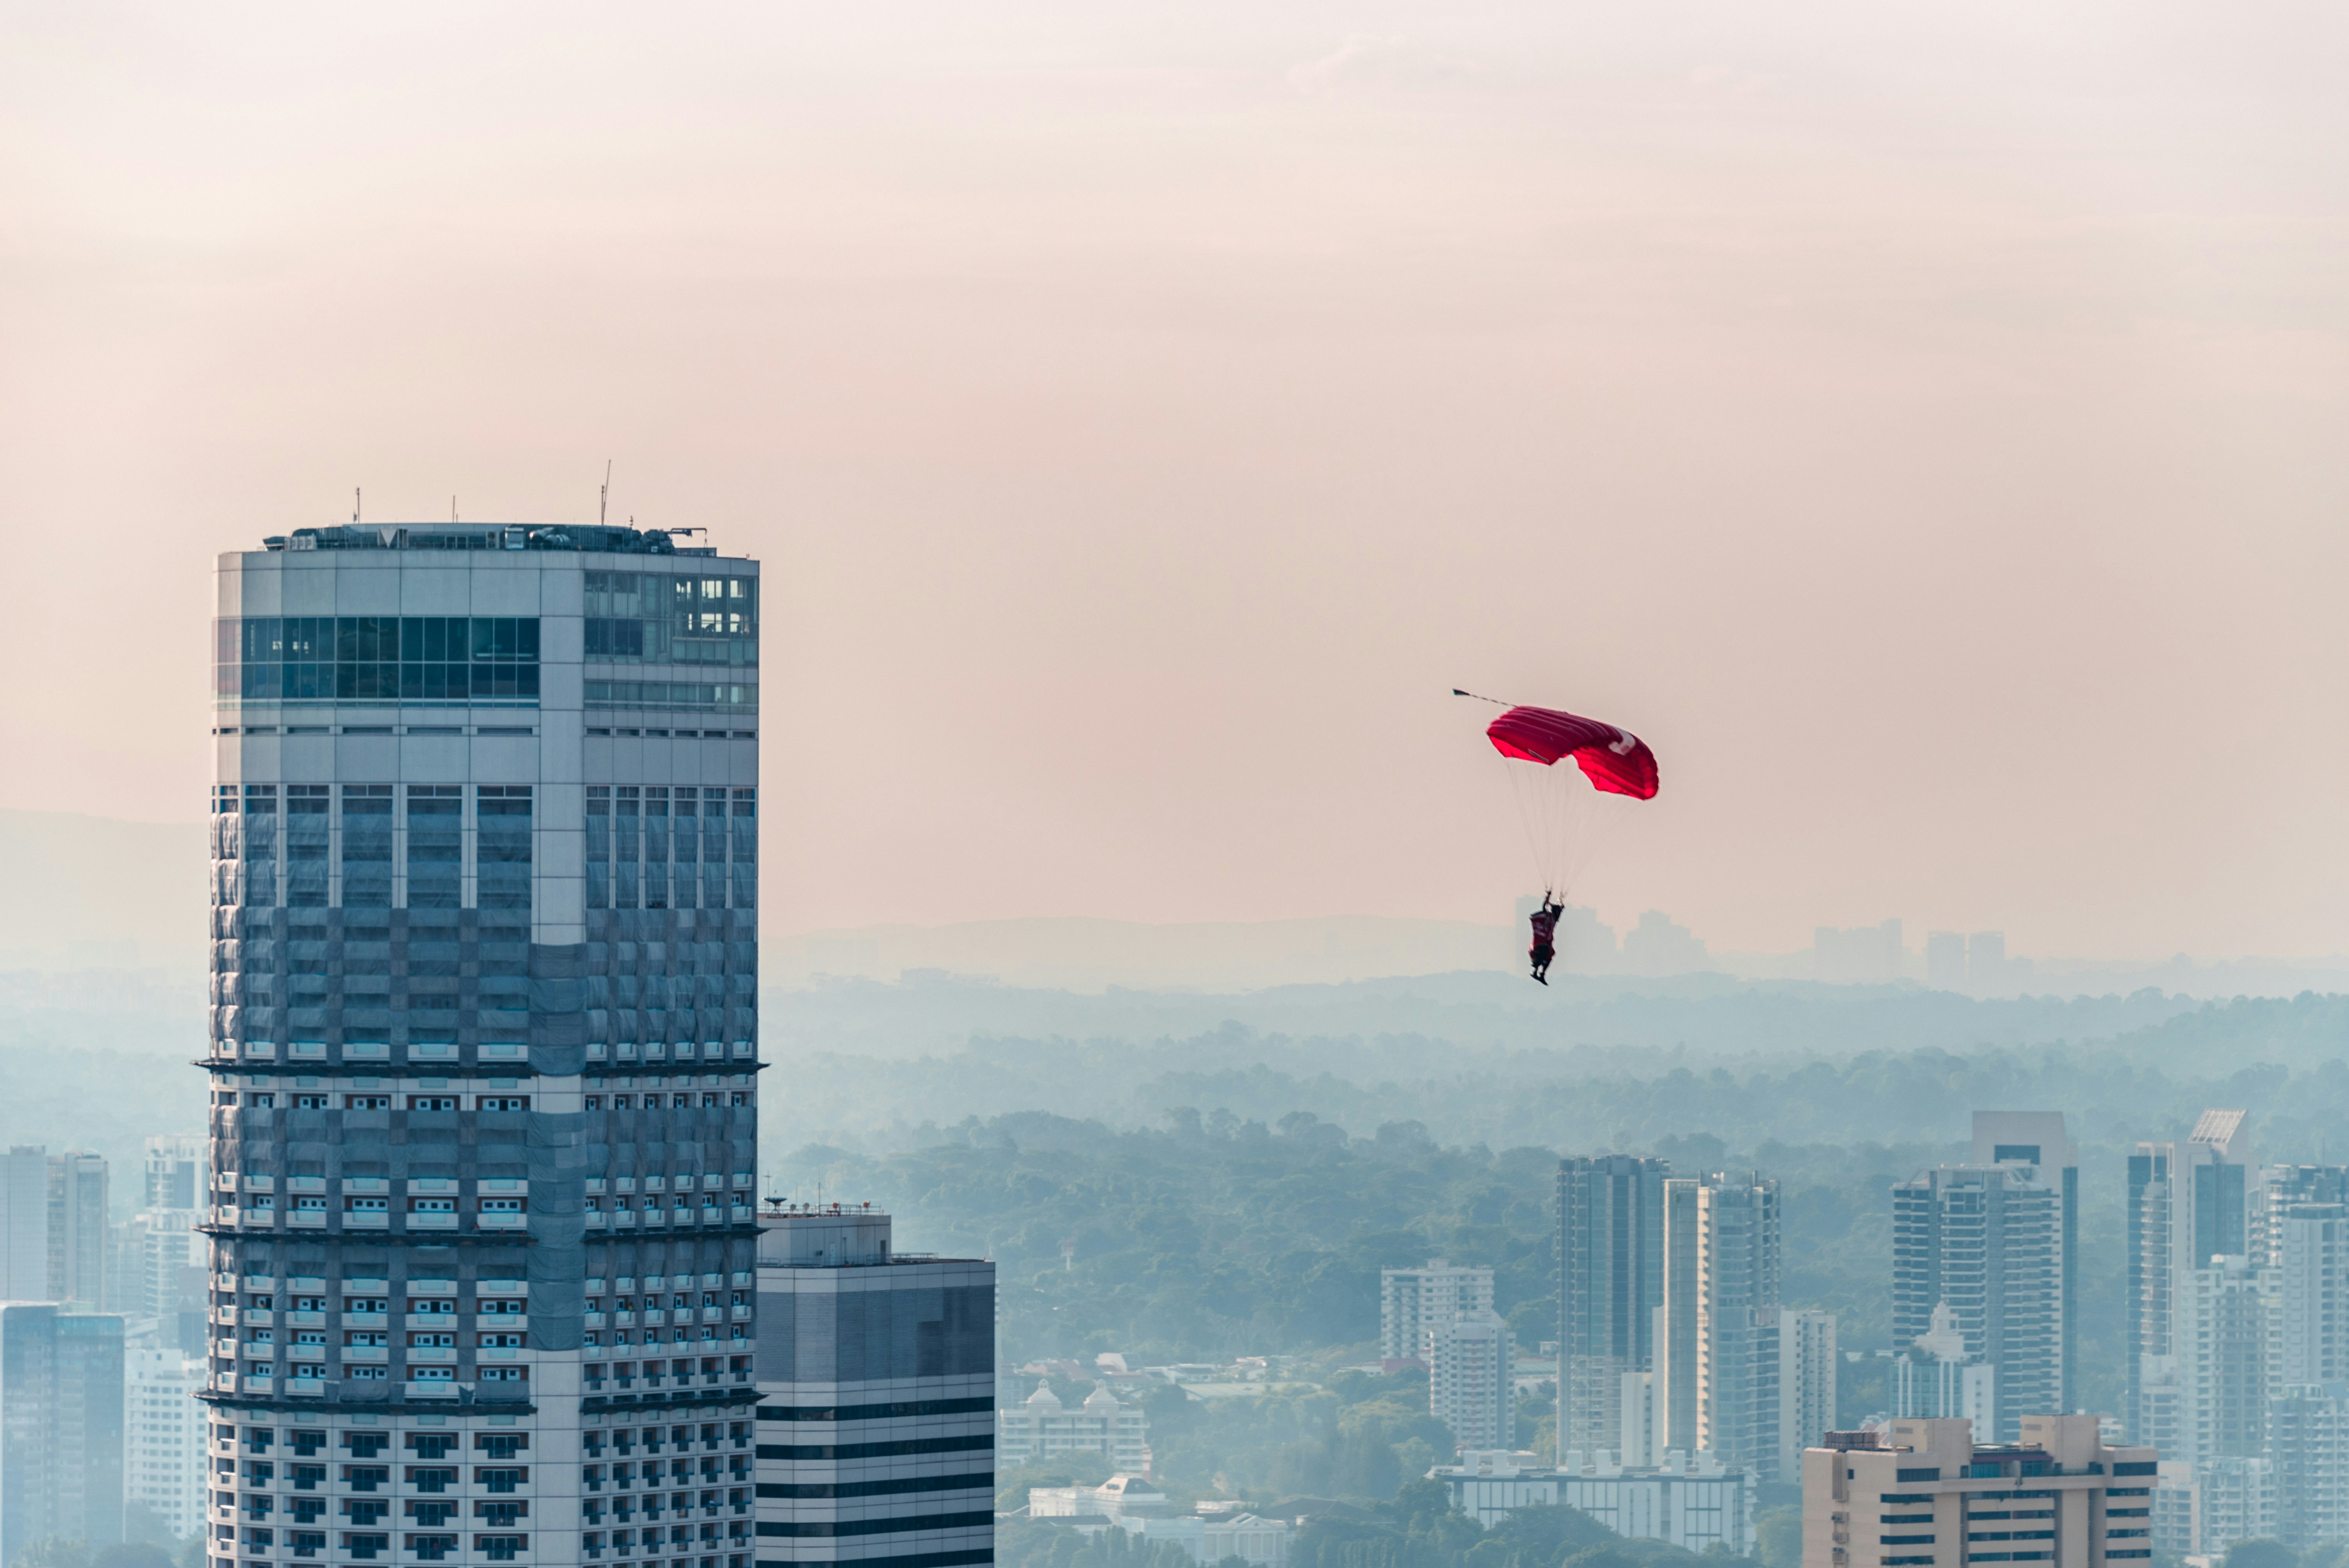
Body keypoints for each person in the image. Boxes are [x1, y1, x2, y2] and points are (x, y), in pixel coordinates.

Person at [1528, 895, 1564, 984]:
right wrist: (1547, 898)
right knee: (1545, 949)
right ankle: (1534, 970)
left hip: (1546, 944)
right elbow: (1544, 908)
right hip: (1538, 945)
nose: (1559, 914)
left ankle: (1542, 974)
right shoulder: (1547, 916)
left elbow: (1559, 910)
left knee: (1550, 956)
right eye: (1558, 912)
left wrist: (1559, 903)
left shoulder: (1554, 919)